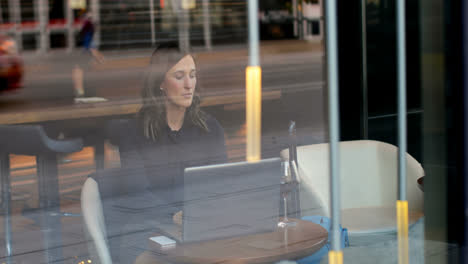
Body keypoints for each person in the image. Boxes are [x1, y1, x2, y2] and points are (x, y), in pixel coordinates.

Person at [94, 42, 227, 263]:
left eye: (192, 75)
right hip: (148, 230)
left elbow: (222, 184)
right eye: (179, 76)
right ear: (160, 83)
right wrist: (174, 216)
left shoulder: (210, 128)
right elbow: (138, 193)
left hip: (200, 230)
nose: (188, 85)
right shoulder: (133, 132)